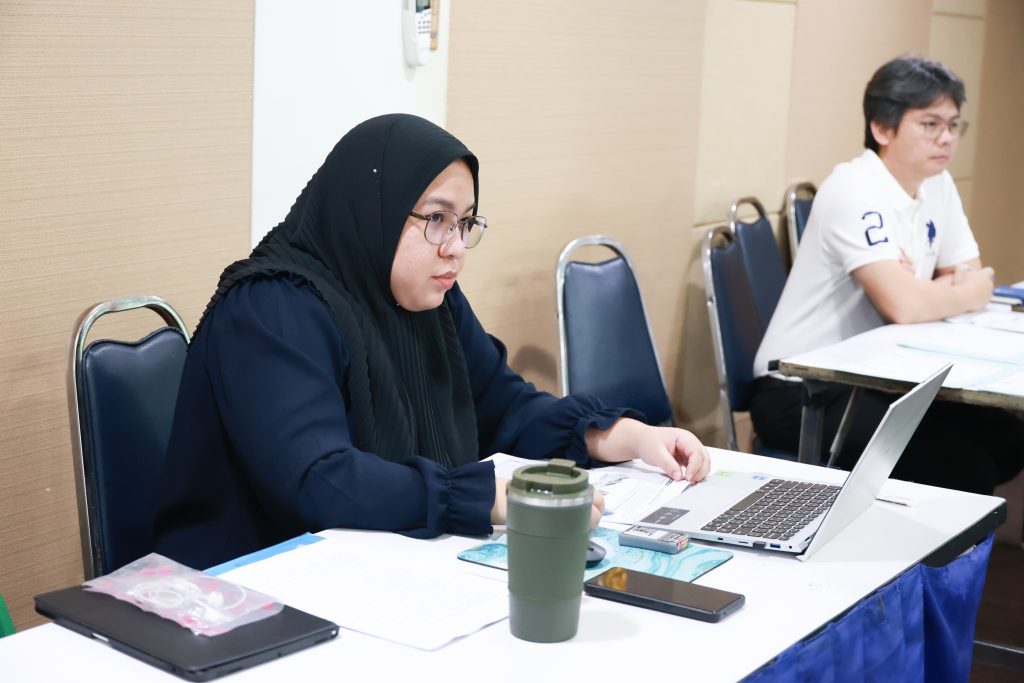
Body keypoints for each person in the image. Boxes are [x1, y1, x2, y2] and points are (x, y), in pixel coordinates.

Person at [153, 113, 711, 569]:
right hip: (246, 590)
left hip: (377, 572)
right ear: (372, 209)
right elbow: (319, 479)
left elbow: (502, 406)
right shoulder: (272, 307)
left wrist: (621, 434)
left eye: (464, 222)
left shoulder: (427, 297)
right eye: (437, 219)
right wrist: (490, 498)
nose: (456, 248)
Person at [750, 55, 1023, 494]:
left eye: (953, 125)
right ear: (882, 128)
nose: (946, 138)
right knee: (965, 470)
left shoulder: (937, 182)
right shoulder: (854, 188)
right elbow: (908, 305)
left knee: (1009, 439)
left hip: (880, 376)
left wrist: (927, 291)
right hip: (802, 389)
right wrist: (935, 293)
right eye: (930, 124)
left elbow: (971, 275)